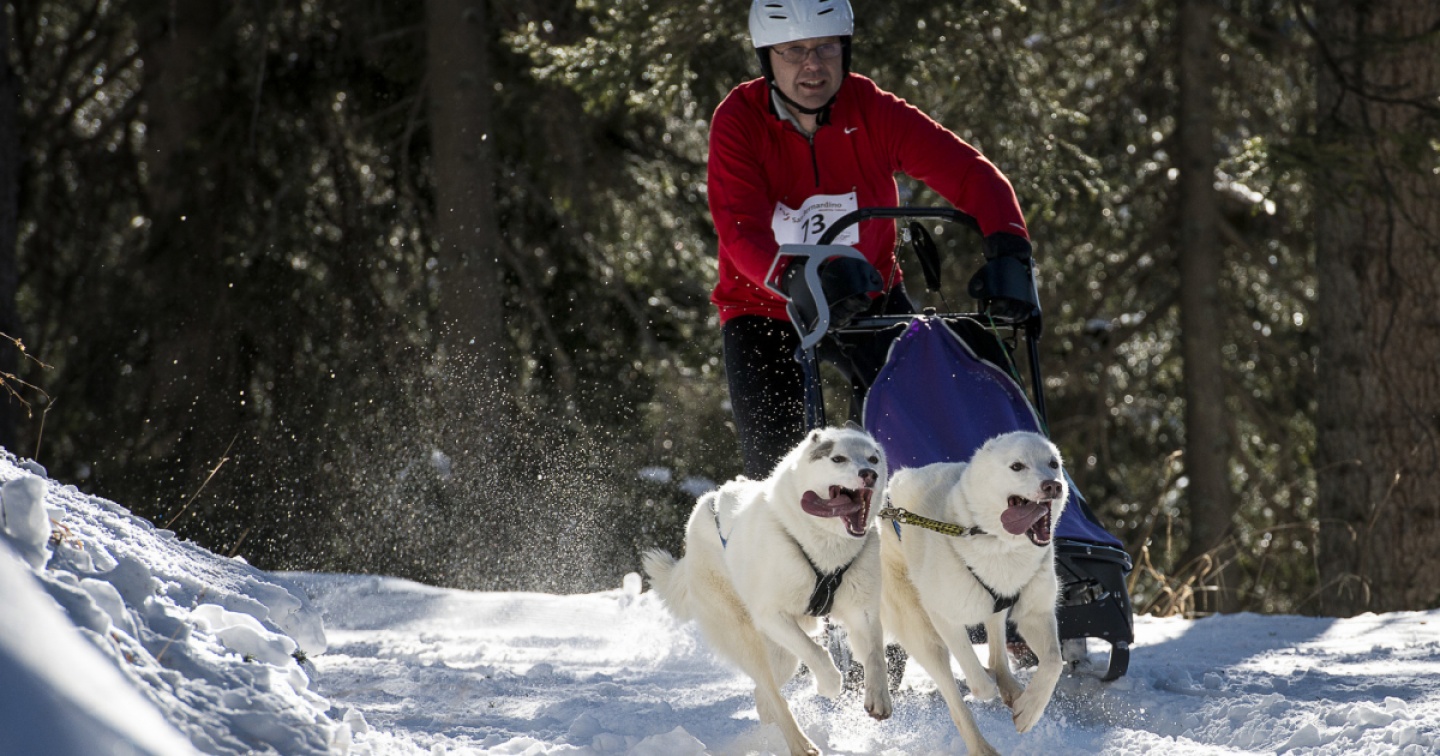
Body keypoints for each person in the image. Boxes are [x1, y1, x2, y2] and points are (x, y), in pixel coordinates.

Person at [709, 0, 1036, 478]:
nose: (812, 65)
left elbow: (971, 174)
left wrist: (1010, 247)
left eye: (826, 48)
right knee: (776, 469)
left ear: (845, 50)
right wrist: (801, 278)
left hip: (868, 297)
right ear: (767, 58)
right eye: (794, 50)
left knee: (923, 434)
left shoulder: (872, 109)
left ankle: (908, 511)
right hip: (764, 306)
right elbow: (740, 229)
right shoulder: (740, 118)